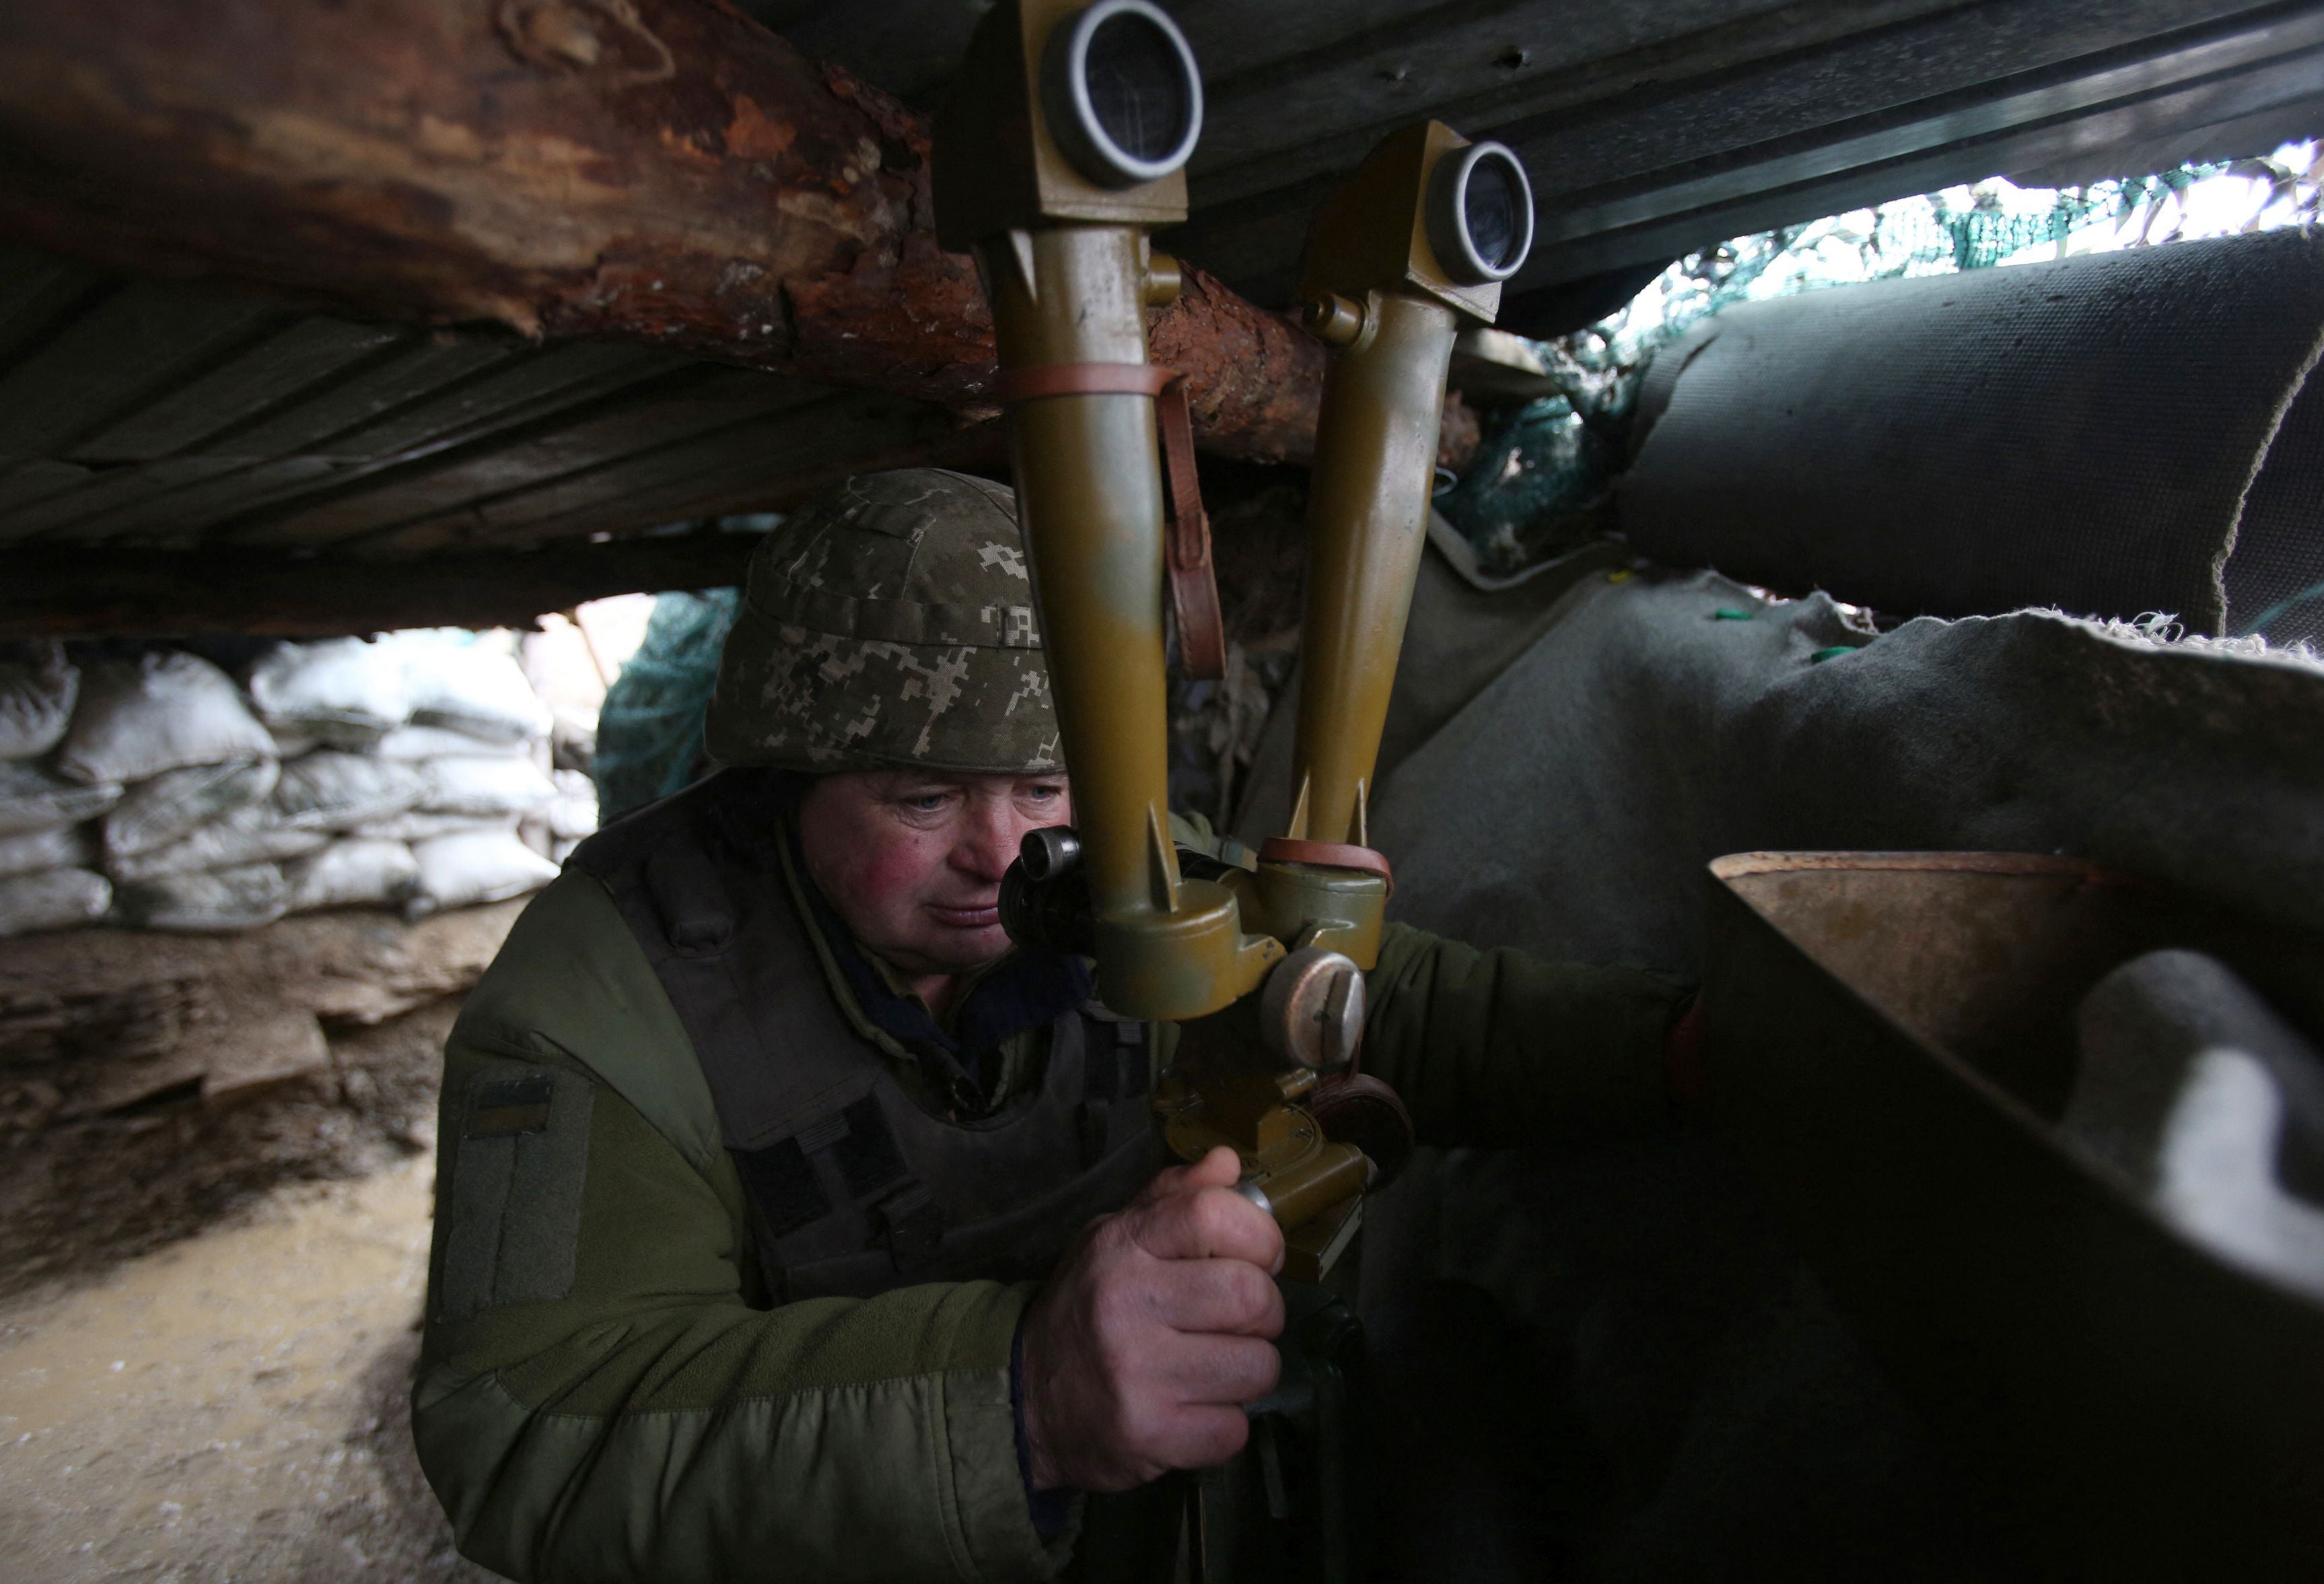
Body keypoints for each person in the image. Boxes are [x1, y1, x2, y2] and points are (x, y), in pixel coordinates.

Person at [413, 468, 1692, 1581]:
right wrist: (1018, 1400)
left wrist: (1687, 1050)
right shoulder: (603, 997)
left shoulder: (1122, 881)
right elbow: (525, 1431)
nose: (1000, 855)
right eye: (922, 799)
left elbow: (1388, 1002)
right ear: (784, 780)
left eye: (1043, 783)